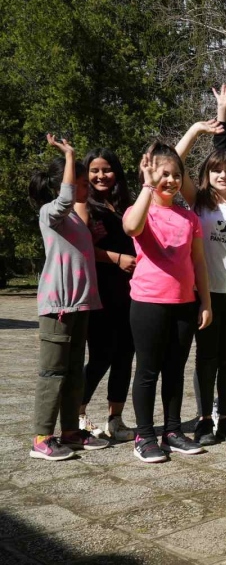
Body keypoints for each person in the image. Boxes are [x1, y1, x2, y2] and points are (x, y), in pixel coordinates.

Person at [123, 143, 212, 463]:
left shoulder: (189, 218)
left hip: (184, 303)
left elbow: (199, 262)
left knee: (175, 370)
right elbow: (131, 227)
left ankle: (172, 431)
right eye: (165, 174)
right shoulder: (141, 212)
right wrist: (147, 186)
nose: (172, 180)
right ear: (149, 175)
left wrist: (206, 302)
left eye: (177, 174)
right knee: (148, 371)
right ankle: (144, 435)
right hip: (148, 302)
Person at [28, 135, 109, 460]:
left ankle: (70, 431)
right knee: (52, 373)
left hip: (80, 305)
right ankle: (41, 438)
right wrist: (70, 155)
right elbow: (64, 200)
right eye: (79, 179)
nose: (86, 184)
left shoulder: (74, 219)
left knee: (75, 370)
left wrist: (93, 236)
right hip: (58, 306)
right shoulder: (51, 211)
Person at [190, 148, 226, 446]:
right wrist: (208, 123)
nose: (223, 175)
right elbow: (174, 159)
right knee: (206, 358)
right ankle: (203, 421)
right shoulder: (199, 203)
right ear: (207, 174)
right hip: (207, 293)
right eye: (216, 170)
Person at [78, 148, 137, 441]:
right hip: (100, 292)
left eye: (107, 169)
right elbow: (83, 247)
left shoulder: (124, 205)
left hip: (131, 292)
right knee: (102, 354)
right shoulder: (84, 206)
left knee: (126, 354)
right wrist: (117, 258)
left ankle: (116, 420)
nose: (101, 176)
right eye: (95, 170)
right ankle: (77, 416)